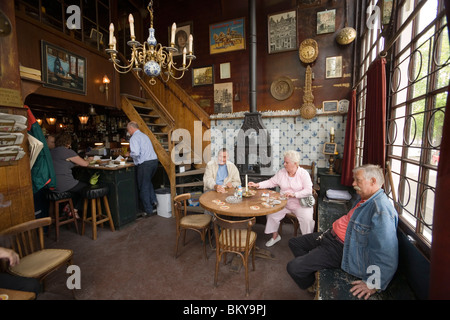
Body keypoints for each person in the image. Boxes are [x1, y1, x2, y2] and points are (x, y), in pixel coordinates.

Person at [286, 164, 398, 300]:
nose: (353, 183)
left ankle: (311, 284)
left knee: (294, 267)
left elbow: (386, 251)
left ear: (373, 181)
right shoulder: (366, 198)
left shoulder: (381, 210)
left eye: (358, 180)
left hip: (339, 248)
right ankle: (312, 272)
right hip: (329, 236)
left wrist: (373, 283)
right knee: (295, 243)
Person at [248, 150, 314, 247]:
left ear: (295, 163)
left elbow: (308, 190)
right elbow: (271, 182)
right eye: (284, 162)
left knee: (307, 219)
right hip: (284, 203)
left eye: (287, 162)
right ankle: (275, 236)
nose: (284, 164)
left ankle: (307, 243)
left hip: (300, 204)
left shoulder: (303, 174)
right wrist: (257, 184)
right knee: (271, 214)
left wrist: (294, 194)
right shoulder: (282, 173)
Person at [50, 132, 93, 217]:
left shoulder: (52, 152)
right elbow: (85, 164)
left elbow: (63, 163)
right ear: (68, 142)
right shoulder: (67, 152)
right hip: (64, 184)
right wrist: (89, 160)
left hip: (52, 185)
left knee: (77, 187)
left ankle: (68, 207)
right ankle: (74, 210)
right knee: (86, 187)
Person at [126, 121, 158, 217]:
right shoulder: (144, 136)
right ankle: (154, 201)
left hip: (145, 164)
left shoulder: (134, 138)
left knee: (143, 187)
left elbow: (135, 153)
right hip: (154, 162)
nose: (128, 132)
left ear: (131, 129)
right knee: (147, 182)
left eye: (128, 130)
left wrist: (129, 154)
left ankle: (149, 210)